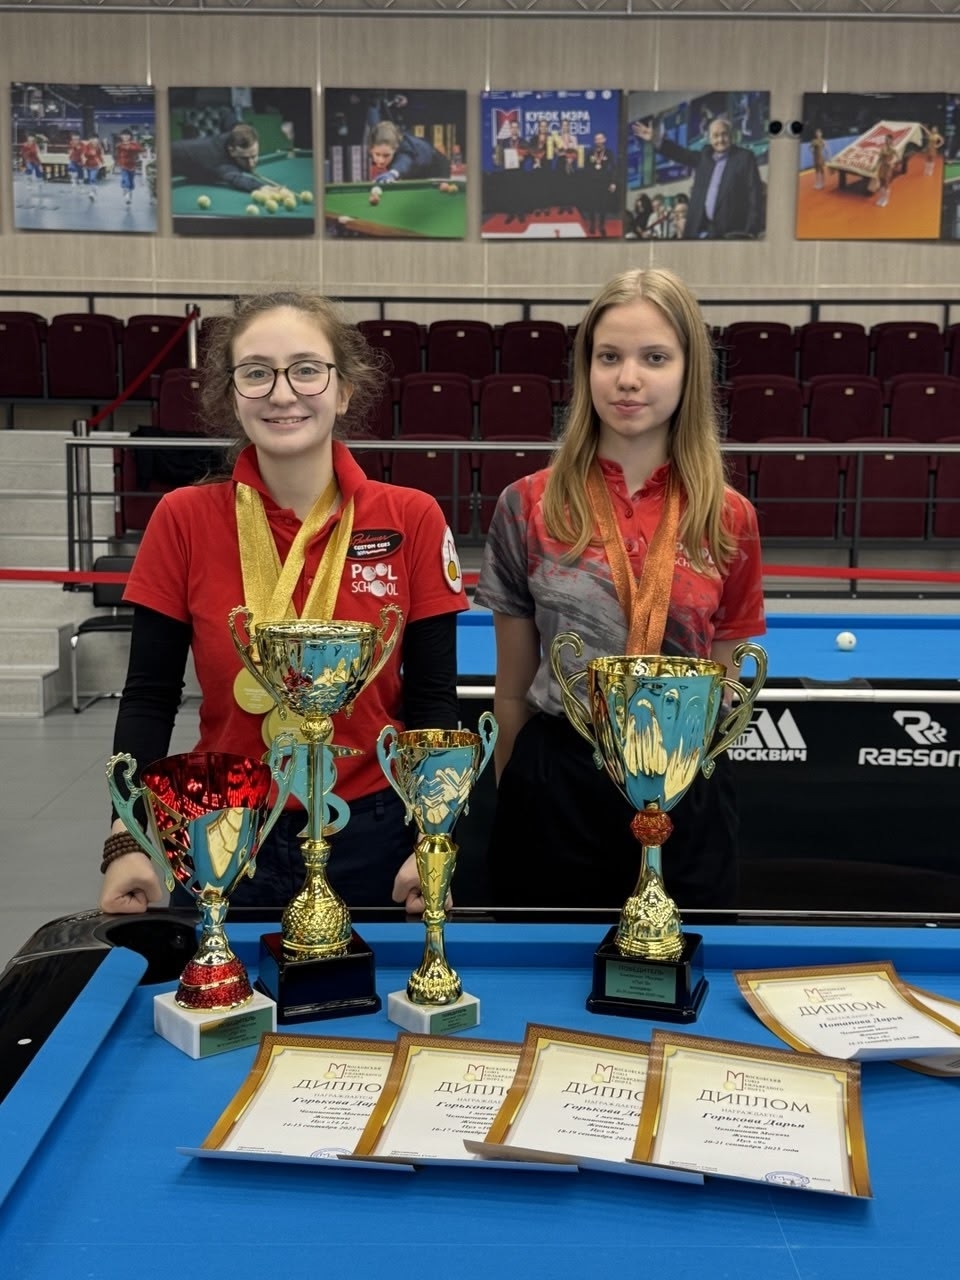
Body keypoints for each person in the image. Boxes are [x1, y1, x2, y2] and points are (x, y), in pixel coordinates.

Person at [99, 289, 469, 917]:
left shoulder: (413, 517)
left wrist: (435, 837)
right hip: (222, 826)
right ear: (231, 395)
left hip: (379, 832)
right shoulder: (182, 518)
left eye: (306, 369)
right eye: (256, 373)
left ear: (343, 390)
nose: (281, 392)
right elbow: (149, 698)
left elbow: (433, 702)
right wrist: (125, 837)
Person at [474, 268, 766, 910]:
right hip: (556, 784)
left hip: (685, 787)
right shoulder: (526, 505)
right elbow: (513, 690)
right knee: (542, 963)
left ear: (690, 372)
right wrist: (521, 795)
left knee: (683, 961)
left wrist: (681, 774)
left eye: (654, 358)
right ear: (586, 370)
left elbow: (724, 689)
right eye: (609, 357)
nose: (628, 378)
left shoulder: (728, 516)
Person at [632, 116, 764, 240]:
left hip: (732, 232)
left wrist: (751, 230)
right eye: (715, 136)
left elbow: (755, 194)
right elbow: (680, 154)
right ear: (709, 139)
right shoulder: (704, 157)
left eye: (724, 134)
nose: (720, 140)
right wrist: (657, 140)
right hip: (701, 232)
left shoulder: (744, 158)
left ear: (731, 135)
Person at [169, 123, 261, 193]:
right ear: (231, 151)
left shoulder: (233, 137)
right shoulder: (217, 157)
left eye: (254, 156)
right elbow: (236, 178)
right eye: (244, 159)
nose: (251, 164)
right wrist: (261, 187)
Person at [367, 120, 450, 184]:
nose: (381, 160)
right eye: (377, 154)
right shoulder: (373, 146)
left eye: (386, 155)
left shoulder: (405, 150)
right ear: (371, 149)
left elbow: (404, 162)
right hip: (415, 172)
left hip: (437, 169)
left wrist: (392, 174)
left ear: (395, 149)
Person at [582, 132, 617, 237]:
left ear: (604, 140)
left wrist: (613, 182)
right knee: (592, 204)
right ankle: (592, 224)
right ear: (594, 141)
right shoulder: (590, 153)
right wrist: (588, 180)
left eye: (600, 139)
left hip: (604, 183)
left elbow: (613, 168)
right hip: (592, 183)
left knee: (603, 205)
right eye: (596, 139)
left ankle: (601, 225)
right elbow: (585, 168)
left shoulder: (609, 153)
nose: (598, 141)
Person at [113, 128, 145, 207]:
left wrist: (133, 147)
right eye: (124, 135)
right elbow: (116, 153)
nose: (125, 137)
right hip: (123, 165)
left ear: (130, 136)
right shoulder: (119, 145)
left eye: (127, 135)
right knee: (126, 179)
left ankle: (128, 193)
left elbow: (140, 149)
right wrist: (117, 161)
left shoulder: (134, 144)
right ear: (121, 136)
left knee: (131, 182)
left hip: (132, 166)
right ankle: (126, 193)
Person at [874, 133, 898, 208]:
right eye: (885, 139)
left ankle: (886, 199)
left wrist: (891, 162)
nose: (886, 140)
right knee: (881, 182)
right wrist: (875, 166)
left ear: (891, 140)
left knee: (886, 183)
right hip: (882, 166)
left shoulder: (893, 148)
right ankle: (881, 198)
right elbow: (880, 158)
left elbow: (896, 157)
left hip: (888, 168)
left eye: (888, 139)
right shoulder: (883, 148)